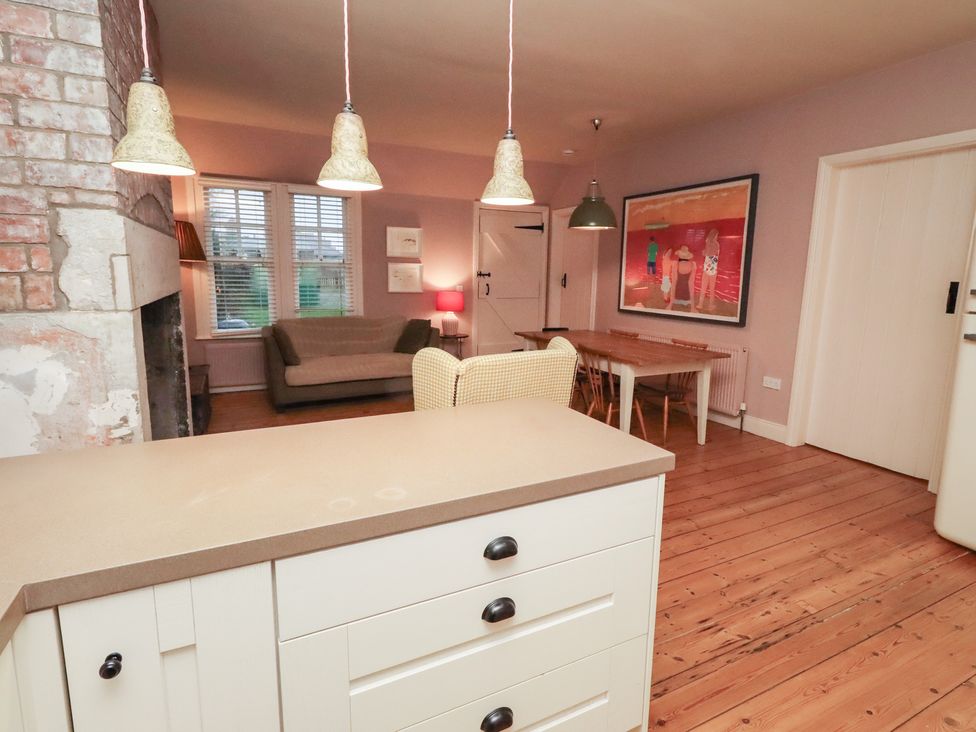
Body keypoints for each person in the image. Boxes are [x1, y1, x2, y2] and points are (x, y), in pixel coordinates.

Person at [667, 246, 697, 312]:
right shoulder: (693, 265)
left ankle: (671, 304)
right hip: (688, 300)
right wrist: (692, 307)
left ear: (679, 255)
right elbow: (691, 285)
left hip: (676, 299)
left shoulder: (675, 264)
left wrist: (670, 305)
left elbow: (673, 284)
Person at [698, 228, 720, 311]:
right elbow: (715, 254)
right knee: (712, 289)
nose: (717, 236)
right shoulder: (716, 244)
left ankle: (700, 304)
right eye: (716, 235)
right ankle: (710, 306)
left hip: (706, 269)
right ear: (714, 235)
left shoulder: (707, 243)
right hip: (713, 270)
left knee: (703, 288)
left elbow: (706, 253)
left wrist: (704, 252)